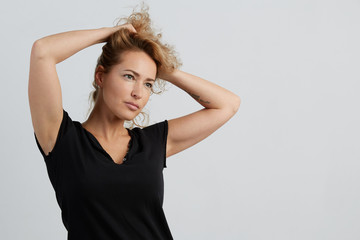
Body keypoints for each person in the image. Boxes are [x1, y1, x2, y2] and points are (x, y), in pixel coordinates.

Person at [28, 5, 240, 240]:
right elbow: (42, 51)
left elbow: (227, 104)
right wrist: (108, 33)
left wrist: (164, 68)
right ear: (101, 76)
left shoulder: (151, 144)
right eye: (129, 76)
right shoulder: (62, 139)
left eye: (148, 83)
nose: (139, 92)